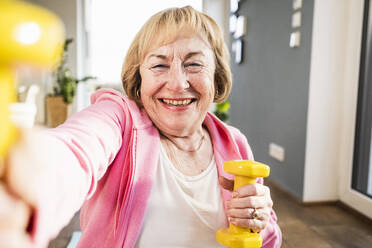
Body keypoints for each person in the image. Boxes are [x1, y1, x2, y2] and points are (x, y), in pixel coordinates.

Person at [0, 6, 282, 248]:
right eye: (159, 65)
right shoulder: (118, 120)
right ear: (139, 77)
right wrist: (33, 178)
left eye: (194, 64)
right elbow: (77, 148)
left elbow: (268, 240)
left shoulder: (234, 143)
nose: (177, 83)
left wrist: (260, 222)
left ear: (216, 75)